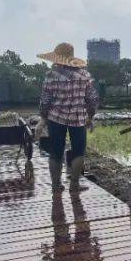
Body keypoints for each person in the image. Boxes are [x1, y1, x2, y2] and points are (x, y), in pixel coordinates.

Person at [37, 42, 98, 194]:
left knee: (55, 152)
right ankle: (75, 185)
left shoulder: (51, 76)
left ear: (57, 58)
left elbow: (45, 100)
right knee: (79, 152)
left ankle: (56, 186)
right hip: (78, 118)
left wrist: (43, 118)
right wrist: (90, 117)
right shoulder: (84, 75)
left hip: (56, 118)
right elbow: (92, 99)